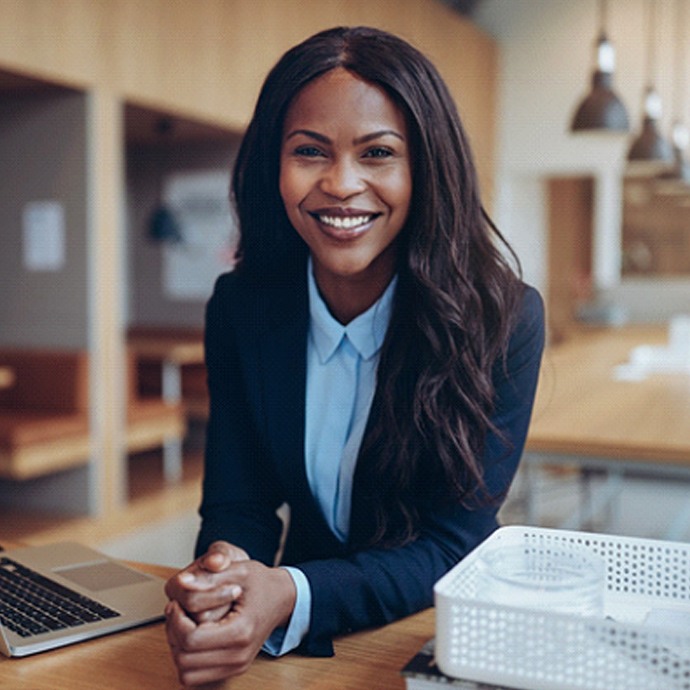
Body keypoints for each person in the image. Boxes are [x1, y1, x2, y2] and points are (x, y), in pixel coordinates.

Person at [164, 25, 545, 686]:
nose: (341, 184)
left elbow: (455, 543)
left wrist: (287, 593)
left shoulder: (501, 320)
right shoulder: (242, 307)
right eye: (310, 151)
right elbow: (239, 501)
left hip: (427, 637)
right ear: (273, 168)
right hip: (296, 644)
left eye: (377, 153)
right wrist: (222, 582)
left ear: (424, 169)